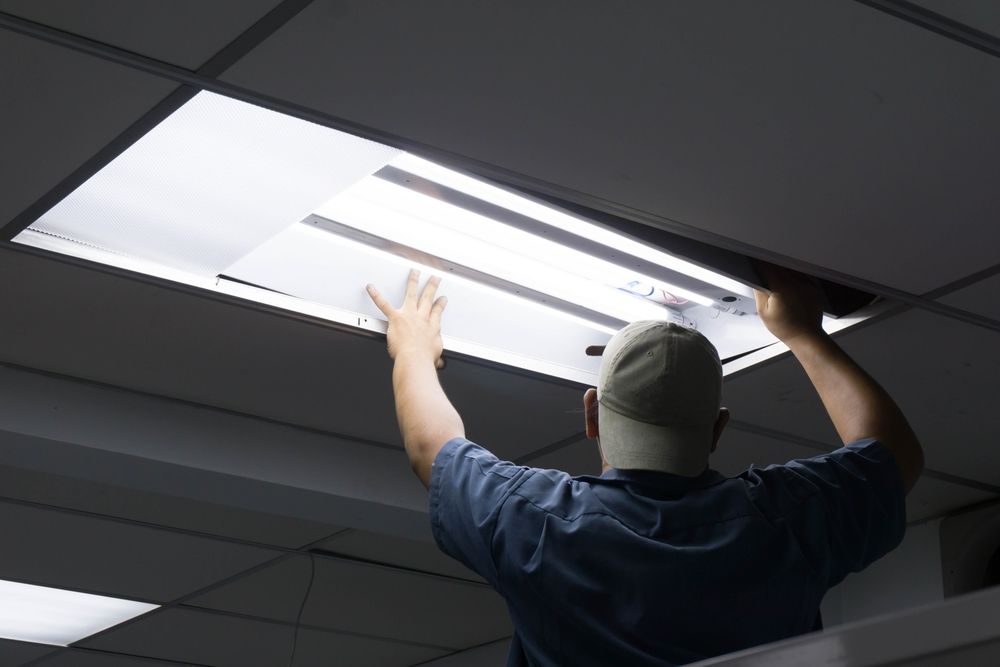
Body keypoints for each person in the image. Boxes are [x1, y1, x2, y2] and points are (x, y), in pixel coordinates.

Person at [366, 265, 923, 666]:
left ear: (592, 415)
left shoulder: (538, 527)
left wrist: (413, 347)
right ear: (717, 429)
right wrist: (804, 333)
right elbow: (893, 453)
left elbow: (432, 450)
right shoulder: (786, 524)